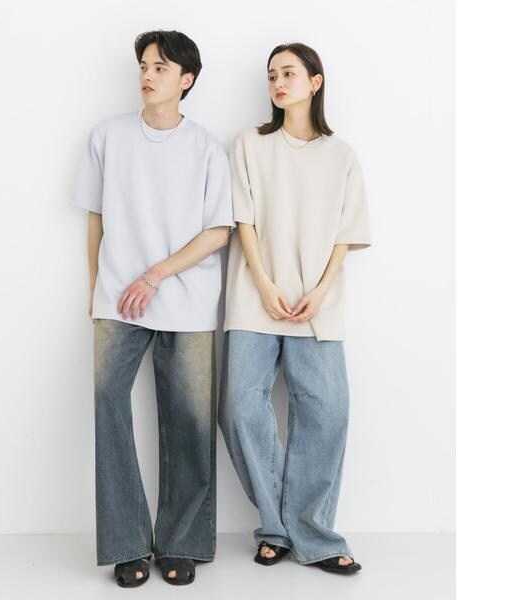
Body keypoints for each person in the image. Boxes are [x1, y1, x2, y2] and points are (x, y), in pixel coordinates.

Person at [70, 30, 234, 587]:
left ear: (186, 80)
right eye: (144, 65)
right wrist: (96, 288)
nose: (147, 74)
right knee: (107, 402)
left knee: (189, 418)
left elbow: (218, 232)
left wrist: (157, 274)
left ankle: (182, 542)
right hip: (118, 299)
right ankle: (127, 544)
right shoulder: (107, 137)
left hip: (187, 301)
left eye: (161, 67)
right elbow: (95, 217)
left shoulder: (207, 148)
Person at [219, 42, 371, 575]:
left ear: (315, 81)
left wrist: (322, 290)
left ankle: (311, 534)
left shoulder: (341, 155)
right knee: (239, 409)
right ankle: (279, 527)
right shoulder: (250, 144)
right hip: (254, 298)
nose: (278, 83)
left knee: (328, 412)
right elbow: (244, 221)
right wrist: (264, 284)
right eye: (272, 76)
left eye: (288, 73)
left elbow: (347, 235)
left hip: (316, 304)